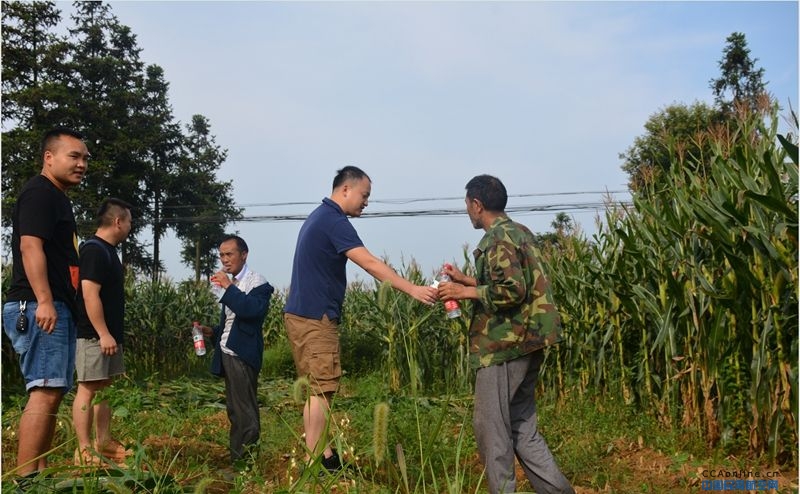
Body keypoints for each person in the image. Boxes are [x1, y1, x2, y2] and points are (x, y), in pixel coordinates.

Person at [284, 165, 437, 473]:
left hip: (301, 314)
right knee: (322, 390)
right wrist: (412, 289)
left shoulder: (318, 216)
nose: (366, 202)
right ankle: (314, 465)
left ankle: (325, 456)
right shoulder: (333, 220)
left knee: (315, 390)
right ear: (345, 190)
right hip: (317, 318)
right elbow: (367, 261)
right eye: (364, 195)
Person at [436, 175, 574, 494]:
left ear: (477, 204)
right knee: (522, 428)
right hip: (531, 341)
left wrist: (463, 292)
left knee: (491, 430)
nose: (467, 211)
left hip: (504, 347)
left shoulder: (496, 240)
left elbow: (512, 290)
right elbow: (514, 281)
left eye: (467, 205)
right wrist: (467, 280)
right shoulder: (519, 232)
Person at [2, 127, 89, 477]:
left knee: (52, 391)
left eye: (85, 158)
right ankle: (26, 480)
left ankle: (39, 472)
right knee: (43, 389)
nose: (82, 164)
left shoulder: (56, 196)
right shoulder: (40, 193)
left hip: (52, 305)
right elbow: (29, 246)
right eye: (74, 156)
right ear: (48, 157)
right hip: (39, 305)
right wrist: (45, 300)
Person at [198, 235, 274, 469]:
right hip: (228, 352)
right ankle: (237, 459)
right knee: (234, 410)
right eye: (221, 255)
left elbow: (252, 312)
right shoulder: (230, 284)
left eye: (229, 254)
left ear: (244, 254)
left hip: (242, 354)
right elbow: (234, 323)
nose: (224, 259)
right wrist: (212, 332)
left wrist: (229, 287)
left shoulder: (256, 282)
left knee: (245, 411)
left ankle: (245, 465)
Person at [72, 198, 134, 465]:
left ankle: (104, 442)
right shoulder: (94, 250)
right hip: (93, 336)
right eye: (129, 221)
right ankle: (84, 451)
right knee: (87, 388)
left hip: (108, 336)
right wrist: (103, 333)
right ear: (118, 221)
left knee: (105, 388)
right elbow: (89, 294)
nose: (131, 226)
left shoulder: (109, 251)